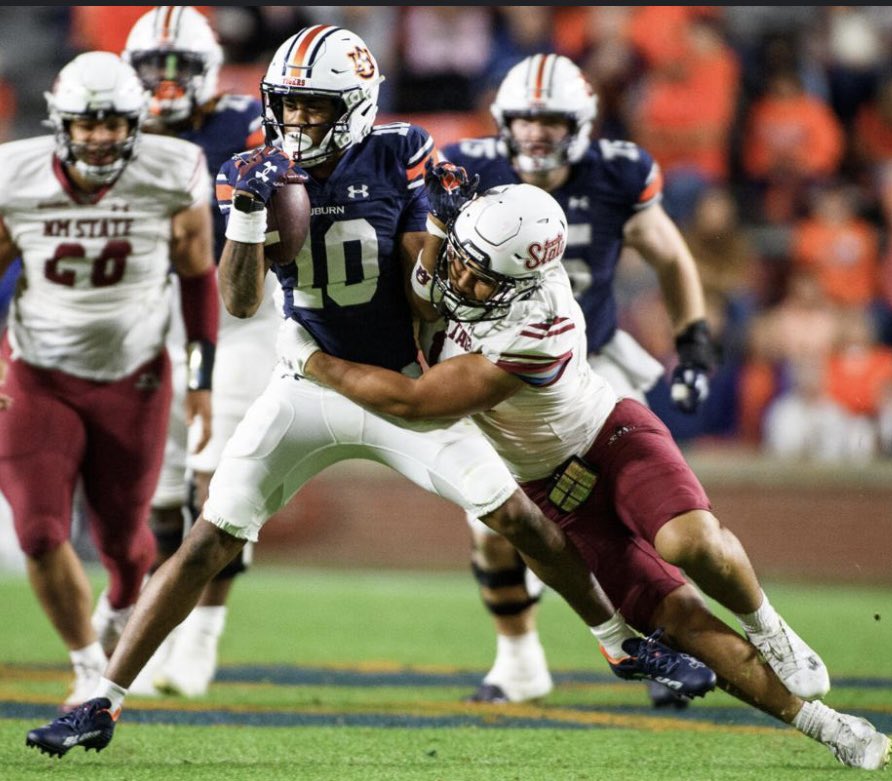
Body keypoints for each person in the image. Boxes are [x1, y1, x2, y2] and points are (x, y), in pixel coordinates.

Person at [25, 26, 714, 759]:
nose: (296, 123)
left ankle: (620, 643)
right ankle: (102, 700)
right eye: (287, 106)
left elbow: (427, 291)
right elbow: (240, 299)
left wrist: (446, 228)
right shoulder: (252, 165)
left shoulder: (401, 150)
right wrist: (251, 214)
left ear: (354, 106)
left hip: (401, 379)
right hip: (307, 381)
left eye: (313, 108)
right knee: (206, 538)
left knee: (515, 514)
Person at [270, 182, 889, 769]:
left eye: (481, 278)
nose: (461, 280)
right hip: (550, 488)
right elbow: (434, 282)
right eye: (463, 261)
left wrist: (312, 359)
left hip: (610, 441)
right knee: (677, 620)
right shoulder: (485, 264)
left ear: (524, 281)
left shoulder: (536, 326)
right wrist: (439, 224)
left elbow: (415, 403)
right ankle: (826, 726)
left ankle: (768, 625)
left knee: (687, 542)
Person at [439, 53, 716, 707]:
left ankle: (676, 641)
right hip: (503, 361)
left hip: (593, 357)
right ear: (502, 120)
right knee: (494, 518)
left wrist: (695, 343)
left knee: (646, 508)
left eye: (552, 119)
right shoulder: (467, 167)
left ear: (583, 122)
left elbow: (669, 252)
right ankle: (519, 660)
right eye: (525, 120)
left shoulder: (616, 171)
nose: (536, 133)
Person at [0, 51, 218, 710]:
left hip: (135, 377)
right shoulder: (15, 174)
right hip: (38, 372)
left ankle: (121, 612)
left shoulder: (172, 170)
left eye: (114, 122)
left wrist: (202, 379)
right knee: (38, 531)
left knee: (126, 543)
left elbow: (198, 274)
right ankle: (89, 662)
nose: (99, 136)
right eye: (86, 123)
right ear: (60, 123)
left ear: (137, 122)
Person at [108, 4, 271, 698]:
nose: (167, 81)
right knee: (159, 491)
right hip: (157, 323)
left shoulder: (248, 124)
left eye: (180, 67)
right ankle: (158, 627)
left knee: (220, 480)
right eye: (155, 67)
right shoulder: (110, 128)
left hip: (244, 320)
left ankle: (203, 634)